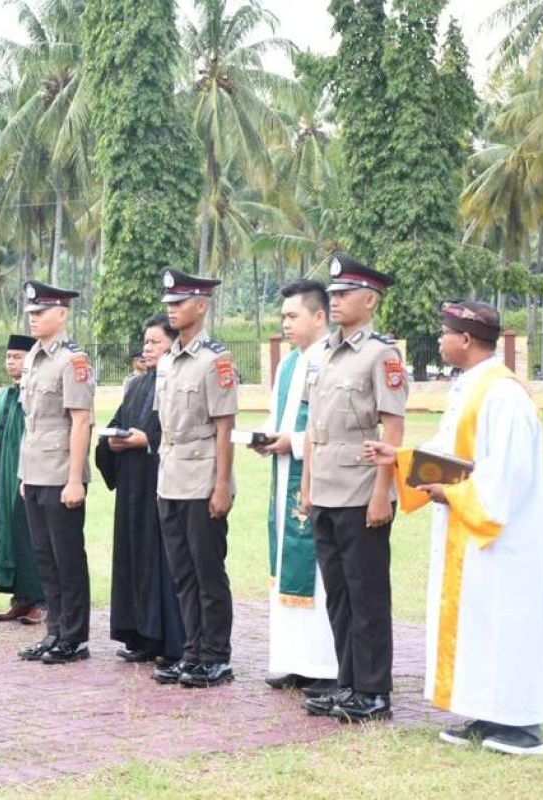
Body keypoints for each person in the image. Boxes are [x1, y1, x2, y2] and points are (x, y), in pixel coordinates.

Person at [362, 300, 543, 756]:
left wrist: (449, 493)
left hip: (502, 536)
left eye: (444, 332)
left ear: (466, 340)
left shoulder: (504, 394)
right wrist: (399, 460)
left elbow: (507, 474)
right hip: (471, 532)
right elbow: (449, 453)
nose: (439, 339)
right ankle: (487, 712)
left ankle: (522, 724)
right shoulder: (469, 387)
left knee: (506, 622)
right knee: (479, 623)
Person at [299, 254, 407, 723]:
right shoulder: (321, 353)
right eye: (333, 293)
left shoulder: (381, 354)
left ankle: (373, 689)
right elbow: (310, 427)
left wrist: (383, 493)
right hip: (323, 485)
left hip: (362, 489)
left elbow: (393, 429)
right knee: (339, 594)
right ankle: (347, 681)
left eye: (345, 294)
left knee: (366, 594)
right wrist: (305, 486)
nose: (336, 300)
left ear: (370, 299)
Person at [151, 269, 238, 689]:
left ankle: (215, 655)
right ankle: (192, 650)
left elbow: (225, 427)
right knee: (182, 572)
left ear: (201, 306)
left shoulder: (214, 359)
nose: (171, 308)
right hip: (169, 478)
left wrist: (222, 485)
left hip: (202, 477)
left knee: (207, 571)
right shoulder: (167, 360)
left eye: (179, 302)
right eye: (168, 302)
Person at [253, 281, 338, 694]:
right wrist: (267, 439)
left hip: (318, 478)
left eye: (293, 316)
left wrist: (295, 443)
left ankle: (324, 663)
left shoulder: (331, 359)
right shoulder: (289, 363)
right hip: (284, 473)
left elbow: (337, 428)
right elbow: (279, 417)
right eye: (283, 316)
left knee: (319, 573)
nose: (285, 323)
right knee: (285, 565)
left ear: (319, 316)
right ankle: (295, 659)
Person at [95, 313, 185, 666]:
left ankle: (168, 639)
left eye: (156, 342)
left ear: (173, 344)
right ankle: (141, 634)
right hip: (132, 484)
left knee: (160, 560)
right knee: (133, 556)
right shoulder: (136, 385)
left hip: (159, 480)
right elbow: (118, 423)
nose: (148, 349)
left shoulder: (174, 381)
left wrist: (146, 440)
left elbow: (178, 430)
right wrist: (112, 440)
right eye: (145, 342)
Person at [16, 280, 95, 665]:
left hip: (62, 471)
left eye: (40, 312)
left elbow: (81, 422)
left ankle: (75, 637)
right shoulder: (33, 357)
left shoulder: (72, 360)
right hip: (35, 470)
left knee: (68, 557)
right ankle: (55, 631)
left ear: (61, 314)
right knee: (44, 557)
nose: (33, 319)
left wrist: (75, 479)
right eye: (30, 313)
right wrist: (22, 475)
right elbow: (30, 421)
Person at [0, 333, 46, 625]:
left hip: (30, 473)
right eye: (8, 357)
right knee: (10, 533)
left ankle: (41, 601)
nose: (11, 362)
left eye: (17, 357)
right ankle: (20, 598)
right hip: (5, 476)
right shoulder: (5, 395)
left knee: (32, 536)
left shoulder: (33, 393)